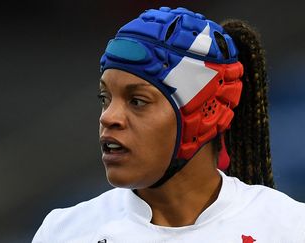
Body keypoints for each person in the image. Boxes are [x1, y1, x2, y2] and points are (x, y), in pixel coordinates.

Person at [32, 6, 305, 242]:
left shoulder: (289, 229)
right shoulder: (63, 232)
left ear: (206, 112)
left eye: (137, 101)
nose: (108, 117)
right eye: (106, 98)